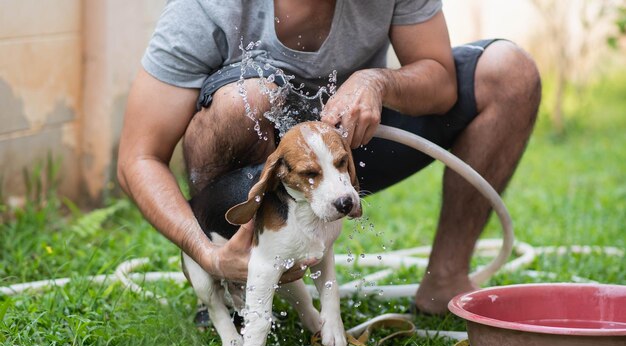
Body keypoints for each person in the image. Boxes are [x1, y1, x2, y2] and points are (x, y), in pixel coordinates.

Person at [117, 0, 541, 316]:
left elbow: (441, 80)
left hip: (347, 146)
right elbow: (139, 157)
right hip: (252, 174)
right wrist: (204, 253)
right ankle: (233, 279)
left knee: (508, 71)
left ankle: (445, 279)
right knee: (248, 99)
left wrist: (377, 82)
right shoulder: (206, 6)